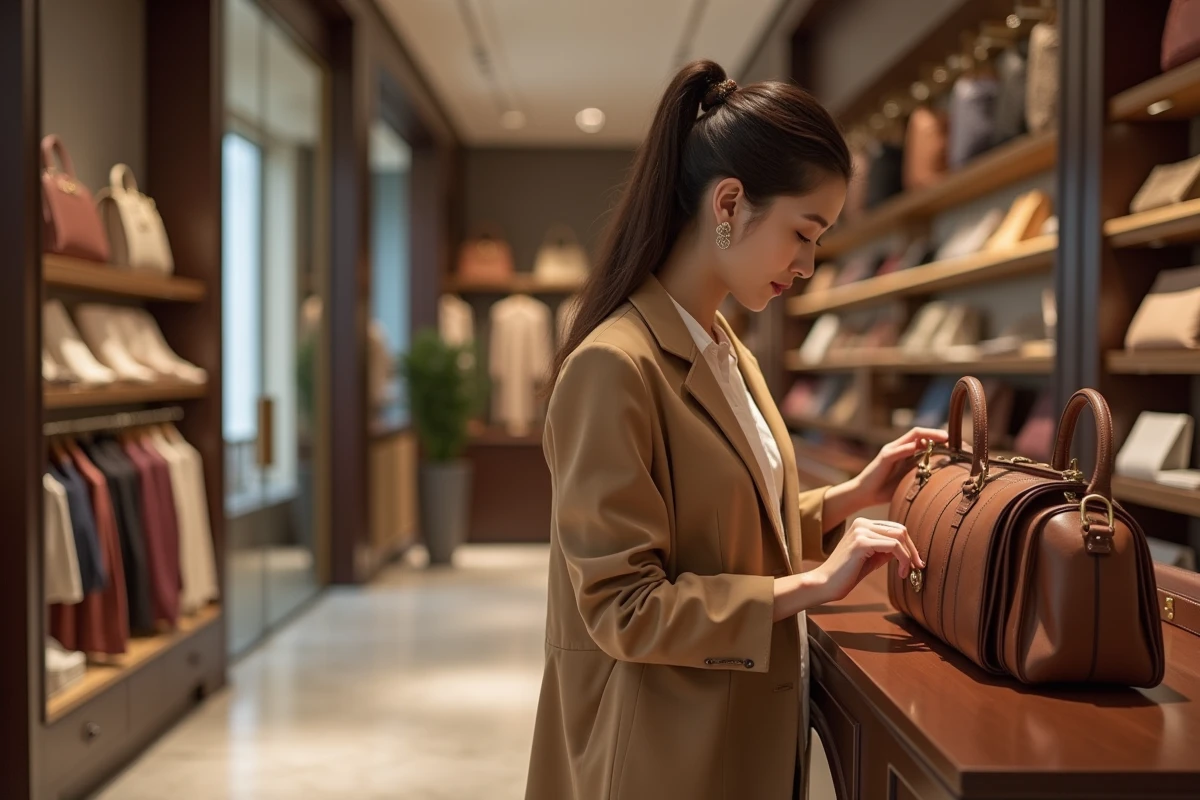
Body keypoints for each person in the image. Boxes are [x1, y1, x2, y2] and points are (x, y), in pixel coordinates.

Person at [524, 60, 949, 800]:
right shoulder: (613, 367)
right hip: (661, 758)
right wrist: (812, 583)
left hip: (731, 740)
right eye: (803, 233)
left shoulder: (725, 348)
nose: (808, 265)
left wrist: (850, 496)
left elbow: (716, 528)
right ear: (729, 202)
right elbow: (624, 608)